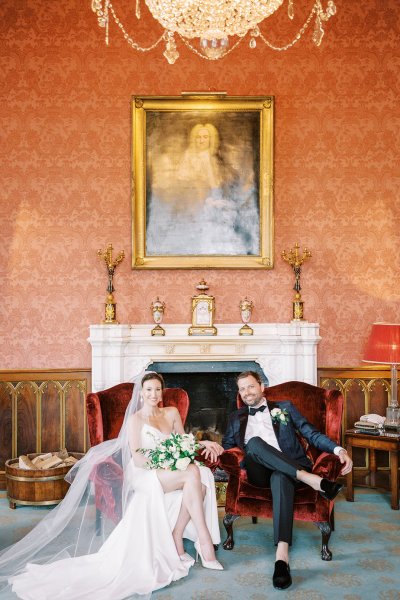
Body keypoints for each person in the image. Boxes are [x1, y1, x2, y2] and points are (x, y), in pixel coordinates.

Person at [0, 372, 224, 599]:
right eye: (148, 390)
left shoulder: (172, 413)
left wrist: (200, 443)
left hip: (168, 469)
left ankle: (177, 539)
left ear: (162, 391)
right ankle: (205, 544)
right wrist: (169, 462)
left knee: (201, 483)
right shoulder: (136, 419)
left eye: (157, 389)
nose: (153, 394)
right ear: (141, 393)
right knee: (193, 472)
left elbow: (182, 442)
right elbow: (137, 459)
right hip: (144, 472)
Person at [222, 371, 353, 591]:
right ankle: (313, 480)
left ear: (262, 386)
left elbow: (311, 434)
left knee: (281, 476)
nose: (246, 392)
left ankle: (281, 557)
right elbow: (227, 447)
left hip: (289, 466)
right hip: (257, 472)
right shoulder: (236, 418)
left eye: (250, 386)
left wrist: (339, 450)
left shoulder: (285, 407)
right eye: (242, 389)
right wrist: (215, 447)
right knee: (254, 442)